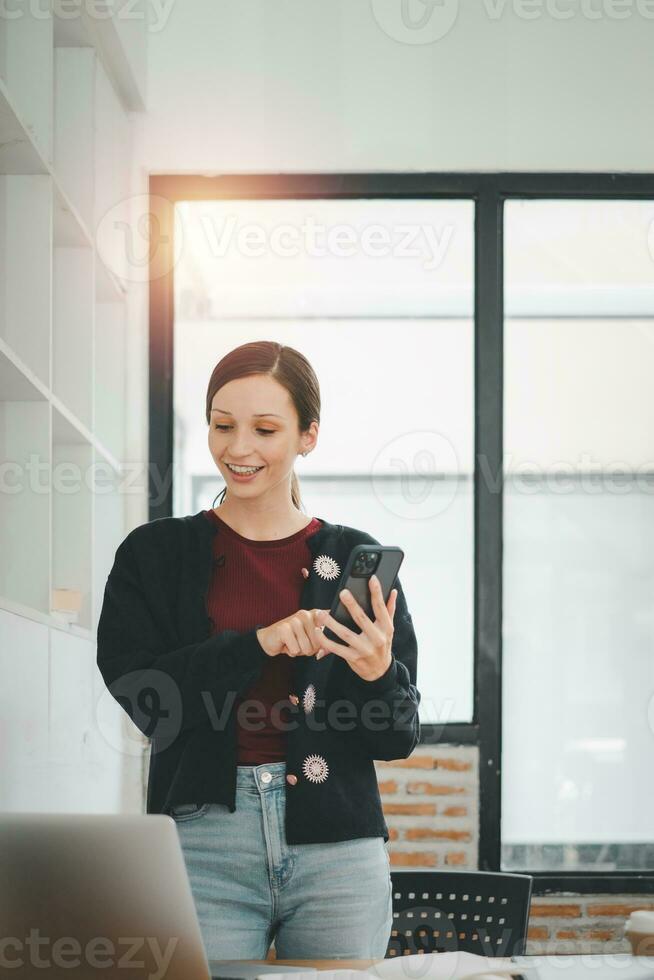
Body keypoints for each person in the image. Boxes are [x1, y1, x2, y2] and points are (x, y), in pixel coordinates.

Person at [97, 340, 421, 961]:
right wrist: (260, 643)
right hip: (201, 841)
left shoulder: (358, 558)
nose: (238, 449)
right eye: (223, 426)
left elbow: (396, 736)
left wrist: (379, 673)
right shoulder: (155, 555)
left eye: (265, 429)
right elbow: (149, 703)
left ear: (308, 436)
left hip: (338, 847)